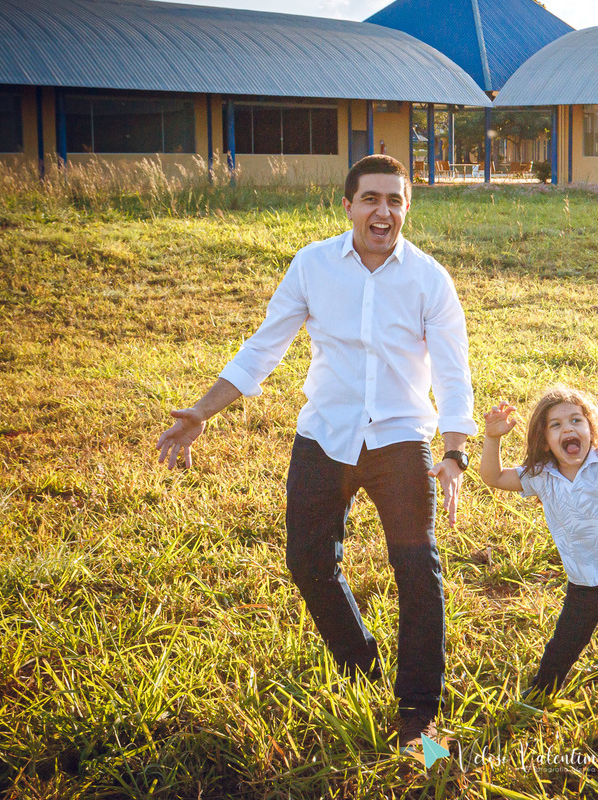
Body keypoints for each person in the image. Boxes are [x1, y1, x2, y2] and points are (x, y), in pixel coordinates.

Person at [155, 154, 476, 751]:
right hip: (325, 436)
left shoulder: (429, 279)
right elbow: (263, 348)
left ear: (407, 208)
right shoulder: (312, 264)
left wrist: (454, 454)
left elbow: (454, 374)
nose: (384, 211)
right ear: (348, 205)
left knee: (417, 570)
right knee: (308, 562)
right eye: (372, 198)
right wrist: (202, 409)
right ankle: (361, 664)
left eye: (396, 200)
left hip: (400, 441)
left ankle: (418, 712)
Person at [478, 361, 598, 745]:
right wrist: (493, 438)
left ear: (590, 428)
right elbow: (493, 477)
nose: (568, 428)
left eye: (576, 420)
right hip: (583, 583)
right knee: (562, 647)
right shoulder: (540, 476)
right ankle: (538, 698)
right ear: (543, 440)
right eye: (556, 425)